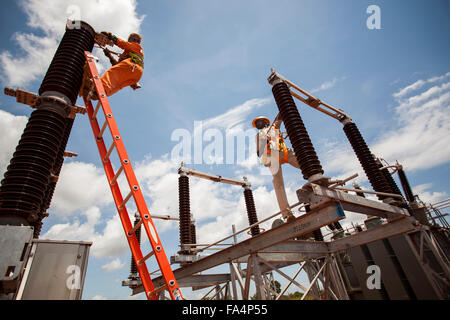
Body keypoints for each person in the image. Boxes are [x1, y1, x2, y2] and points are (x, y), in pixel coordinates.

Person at [252, 115, 300, 221]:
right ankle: (287, 214)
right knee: (278, 184)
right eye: (256, 124)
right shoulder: (258, 135)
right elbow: (259, 153)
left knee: (304, 163)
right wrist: (263, 141)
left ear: (266, 122)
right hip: (272, 158)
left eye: (259, 122)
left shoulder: (274, 127)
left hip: (284, 153)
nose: (258, 125)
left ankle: (315, 177)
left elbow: (281, 117)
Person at [96, 32, 144, 97]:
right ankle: (102, 94)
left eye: (136, 40)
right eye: (132, 39)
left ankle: (101, 88)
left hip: (133, 66)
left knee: (111, 73)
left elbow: (124, 44)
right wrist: (109, 55)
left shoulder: (137, 47)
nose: (134, 40)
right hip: (136, 75)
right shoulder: (128, 54)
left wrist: (112, 37)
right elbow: (117, 66)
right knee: (117, 84)